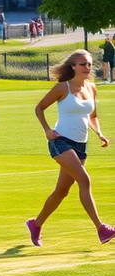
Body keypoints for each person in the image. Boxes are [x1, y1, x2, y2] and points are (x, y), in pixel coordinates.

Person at [26, 50, 114, 246]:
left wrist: (99, 133)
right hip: (60, 141)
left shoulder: (92, 88)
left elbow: (93, 116)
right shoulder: (62, 88)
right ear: (73, 66)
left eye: (89, 64)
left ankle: (36, 224)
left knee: (62, 191)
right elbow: (39, 108)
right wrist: (47, 130)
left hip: (80, 145)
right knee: (84, 179)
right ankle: (101, 229)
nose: (87, 68)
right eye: (82, 64)